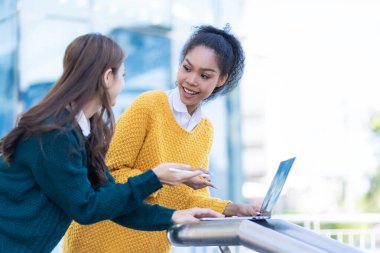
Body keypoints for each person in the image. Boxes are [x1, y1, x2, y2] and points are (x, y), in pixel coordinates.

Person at [0, 33, 224, 253]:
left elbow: (111, 199)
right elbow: (86, 207)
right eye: (123, 75)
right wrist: (155, 177)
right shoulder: (55, 134)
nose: (124, 84)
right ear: (108, 77)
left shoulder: (81, 131)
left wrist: (173, 216)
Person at [64, 25, 261, 253]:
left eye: (204, 75)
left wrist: (233, 208)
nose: (191, 80)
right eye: (187, 68)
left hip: (150, 244)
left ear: (221, 79)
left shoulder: (205, 130)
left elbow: (190, 199)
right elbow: (108, 176)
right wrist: (162, 178)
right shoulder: (149, 106)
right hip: (100, 241)